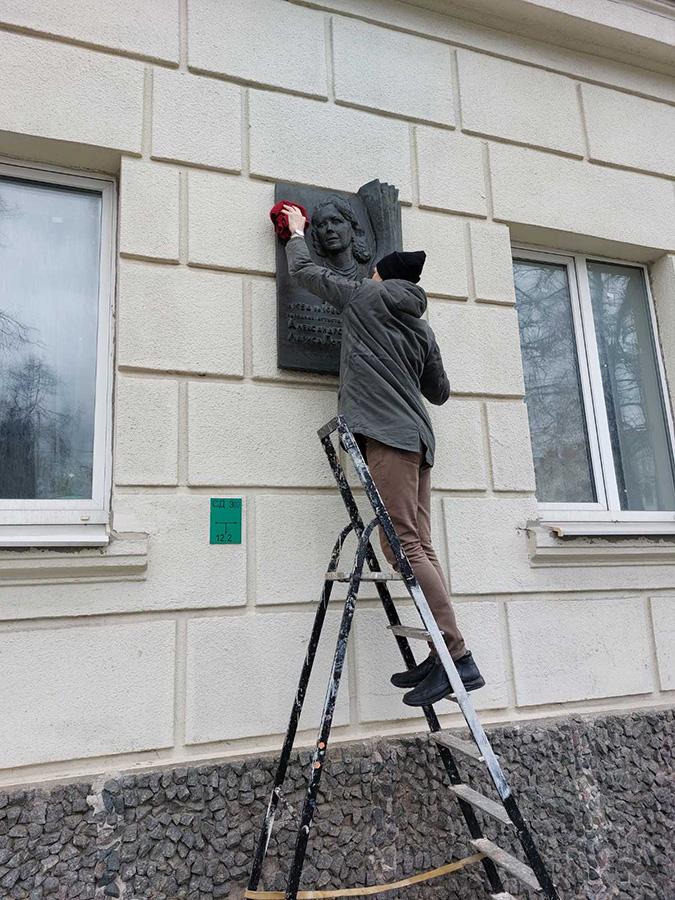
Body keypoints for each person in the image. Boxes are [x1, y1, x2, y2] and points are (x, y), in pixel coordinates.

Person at [281, 204, 484, 707]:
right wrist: (402, 359)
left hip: (389, 439)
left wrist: (297, 232)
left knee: (404, 549)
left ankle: (457, 655)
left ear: (379, 275)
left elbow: (305, 272)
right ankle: (443, 653)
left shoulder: (365, 296)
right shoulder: (421, 325)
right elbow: (439, 392)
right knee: (420, 546)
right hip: (419, 440)